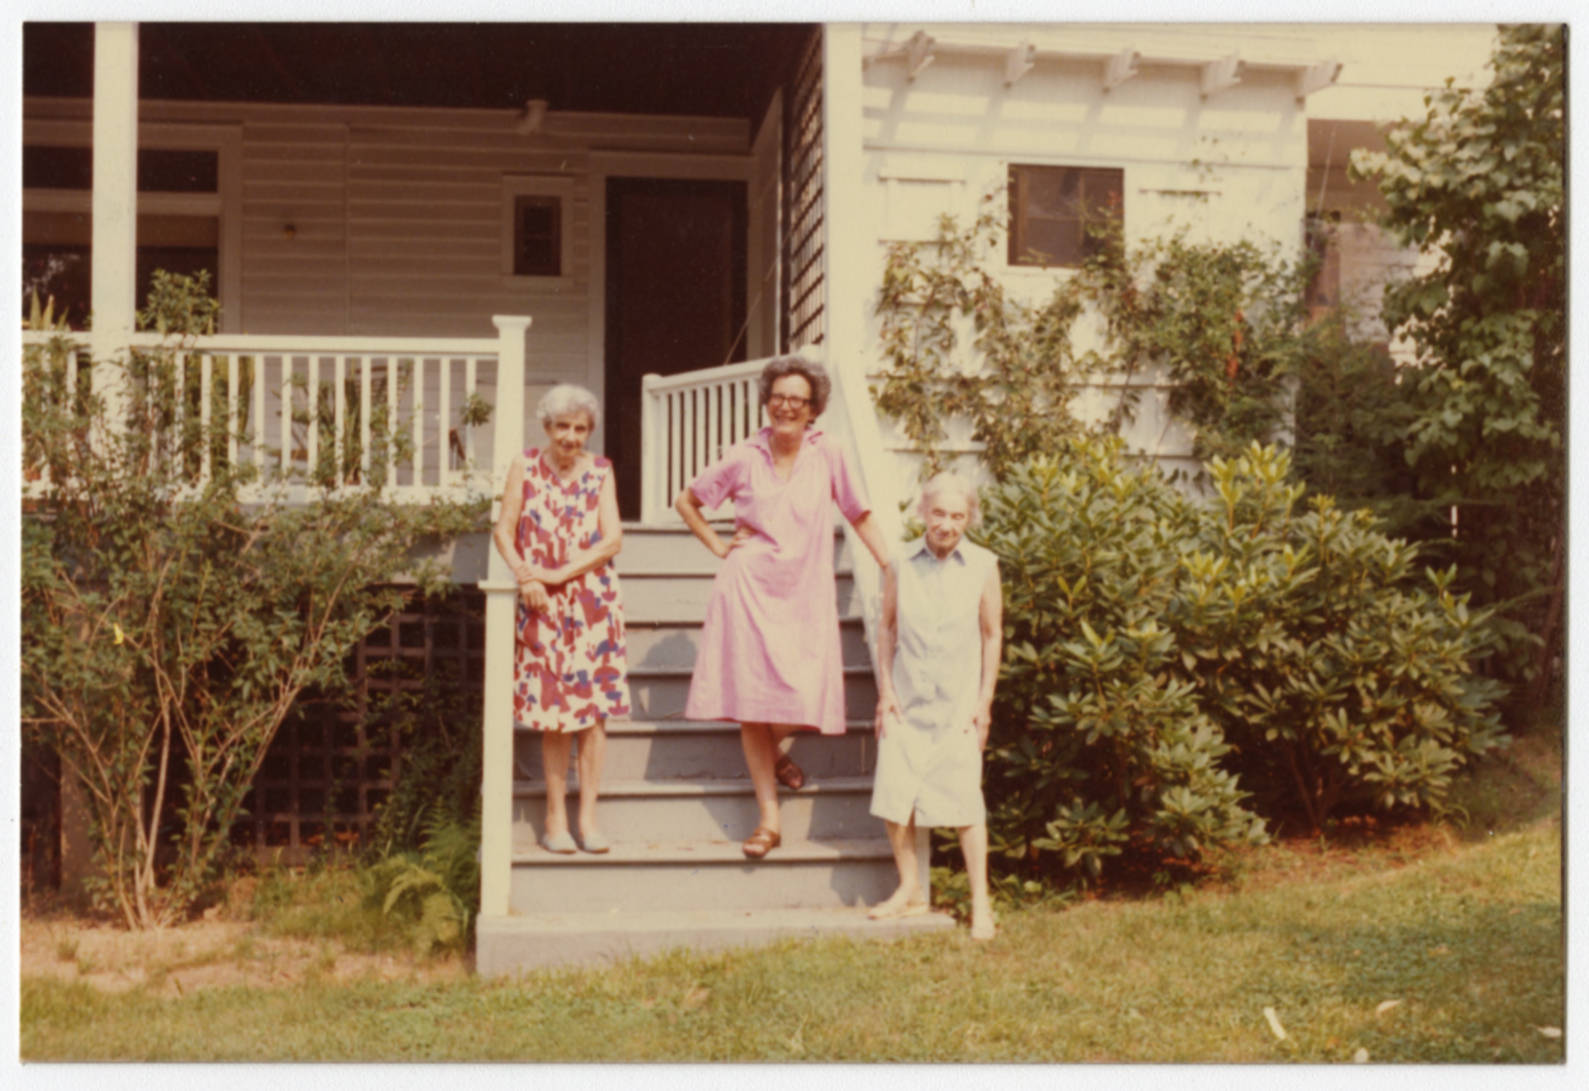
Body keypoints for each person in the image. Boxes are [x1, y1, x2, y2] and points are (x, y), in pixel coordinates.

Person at [675, 356, 892, 859]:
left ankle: (772, 753)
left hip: (805, 593)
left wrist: (891, 565)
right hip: (748, 588)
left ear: (814, 409)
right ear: (767, 402)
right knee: (753, 703)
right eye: (779, 397)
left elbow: (859, 514)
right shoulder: (743, 454)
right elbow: (688, 501)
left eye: (798, 399)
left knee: (805, 691)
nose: (787, 407)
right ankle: (769, 821)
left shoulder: (828, 452)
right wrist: (718, 545)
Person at [491, 384, 629, 855]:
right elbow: (504, 532)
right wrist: (527, 575)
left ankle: (587, 819)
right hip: (543, 606)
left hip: (593, 603)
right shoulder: (525, 466)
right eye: (563, 427)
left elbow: (612, 540)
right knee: (554, 714)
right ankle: (555, 818)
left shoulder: (601, 471)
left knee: (592, 714)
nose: (571, 436)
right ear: (547, 426)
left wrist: (556, 574)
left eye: (580, 428)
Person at [868, 472, 1003, 941]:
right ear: (924, 512)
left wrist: (984, 703)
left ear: (969, 519)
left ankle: (981, 903)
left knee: (966, 805)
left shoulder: (983, 565)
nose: (947, 524)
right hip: (906, 702)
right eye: (940, 513)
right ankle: (910, 890)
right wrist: (886, 692)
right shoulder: (900, 562)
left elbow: (992, 634)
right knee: (895, 795)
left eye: (958, 516)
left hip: (957, 706)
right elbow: (886, 628)